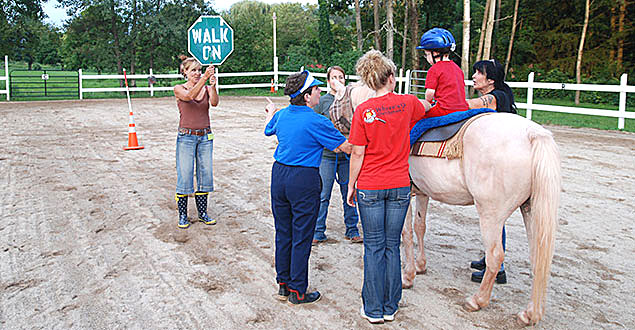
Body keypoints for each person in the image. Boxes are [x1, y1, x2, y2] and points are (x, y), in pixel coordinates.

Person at [346, 50, 430, 324]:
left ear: (371, 81)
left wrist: (351, 186)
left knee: (373, 247)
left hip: (370, 186)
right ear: (391, 77)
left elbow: (357, 153)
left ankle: (372, 308)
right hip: (399, 185)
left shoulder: (363, 111)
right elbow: (427, 110)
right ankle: (390, 305)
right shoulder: (407, 103)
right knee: (391, 246)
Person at [264, 70, 352, 305]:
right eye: (316, 90)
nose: (320, 92)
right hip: (303, 178)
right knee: (302, 235)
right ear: (306, 96)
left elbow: (268, 130)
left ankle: (283, 284)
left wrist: (271, 112)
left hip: (279, 174)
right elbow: (346, 148)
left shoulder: (282, 115)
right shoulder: (316, 120)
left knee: (284, 232)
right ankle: (298, 291)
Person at [466, 59, 518, 284]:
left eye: (479, 73)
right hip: (501, 157)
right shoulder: (502, 94)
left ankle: (498, 267)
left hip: (500, 161)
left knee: (495, 214)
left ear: (491, 80)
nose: (475, 76)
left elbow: (468, 105)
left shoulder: (495, 97)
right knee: (497, 215)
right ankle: (491, 258)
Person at [312, 66, 362, 244]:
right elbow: (315, 127)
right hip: (327, 156)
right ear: (328, 81)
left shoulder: (352, 100)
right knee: (323, 194)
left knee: (349, 192)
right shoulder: (322, 102)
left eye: (341, 77)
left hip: (348, 156)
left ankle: (352, 228)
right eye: (334, 77)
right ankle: (318, 231)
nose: (338, 81)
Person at [173, 55, 219, 229]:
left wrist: (213, 87)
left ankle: (202, 213)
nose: (197, 73)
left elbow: (214, 103)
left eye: (199, 70)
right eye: (193, 70)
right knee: (185, 174)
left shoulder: (205, 88)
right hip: (186, 136)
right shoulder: (179, 89)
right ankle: (183, 215)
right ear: (184, 72)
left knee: (205, 174)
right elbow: (189, 97)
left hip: (205, 136)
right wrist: (206, 78)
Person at [416, 28, 469, 117]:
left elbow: (430, 93)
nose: (426, 57)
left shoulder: (434, 69)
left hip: (444, 109)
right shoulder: (457, 68)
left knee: (417, 119)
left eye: (427, 54)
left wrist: (427, 103)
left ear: (435, 53)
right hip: (463, 109)